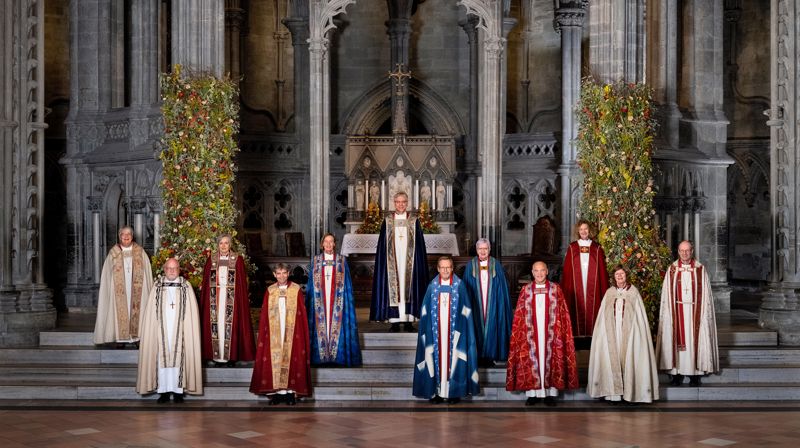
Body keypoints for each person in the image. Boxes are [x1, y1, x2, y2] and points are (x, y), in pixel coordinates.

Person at [506, 261, 578, 406]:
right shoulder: (526, 290)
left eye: (542, 270)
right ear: (532, 273)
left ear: (547, 272)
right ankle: (532, 394)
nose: (539, 274)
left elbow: (563, 314)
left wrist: (561, 332)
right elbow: (519, 315)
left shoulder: (555, 289)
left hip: (551, 332)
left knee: (550, 359)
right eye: (536, 271)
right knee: (531, 360)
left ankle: (550, 394)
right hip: (530, 332)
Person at [587, 265, 659, 403]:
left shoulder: (633, 293)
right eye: (617, 274)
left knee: (629, 358)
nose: (619, 277)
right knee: (611, 359)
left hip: (630, 335)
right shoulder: (609, 293)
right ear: (613, 277)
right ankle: (612, 393)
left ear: (627, 275)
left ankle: (629, 393)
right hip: (611, 335)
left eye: (622, 274)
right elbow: (602, 316)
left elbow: (639, 317)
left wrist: (638, 335)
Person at [413, 256, 480, 404]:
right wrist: (427, 328)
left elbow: (466, 310)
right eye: (442, 267)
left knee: (454, 358)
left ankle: (454, 392)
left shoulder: (460, 285)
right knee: (436, 358)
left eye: (448, 267)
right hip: (435, 332)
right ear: (438, 268)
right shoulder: (432, 286)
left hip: (455, 332)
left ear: (452, 268)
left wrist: (463, 329)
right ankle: (436, 391)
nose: (445, 270)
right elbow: (425, 311)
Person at [136, 258, 203, 403]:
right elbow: (150, 314)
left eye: (175, 268)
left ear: (179, 270)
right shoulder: (157, 286)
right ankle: (164, 392)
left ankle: (178, 392)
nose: (172, 271)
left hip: (181, 331)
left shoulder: (186, 286)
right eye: (169, 268)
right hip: (161, 331)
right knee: (162, 359)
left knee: (180, 359)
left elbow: (192, 315)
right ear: (164, 270)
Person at [656, 240, 719, 387]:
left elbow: (706, 295)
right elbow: (666, 295)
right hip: (676, 312)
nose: (684, 253)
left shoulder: (699, 269)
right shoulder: (671, 270)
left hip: (694, 312)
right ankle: (676, 374)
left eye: (687, 250)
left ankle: (694, 375)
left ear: (692, 251)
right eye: (681, 250)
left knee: (692, 342)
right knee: (676, 341)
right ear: (678, 252)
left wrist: (703, 313)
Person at [250, 263, 312, 405]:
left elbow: (301, 314)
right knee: (275, 360)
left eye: (284, 273)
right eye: (278, 273)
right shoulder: (270, 290)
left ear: (288, 273)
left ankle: (290, 393)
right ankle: (277, 393)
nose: (282, 276)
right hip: (274, 331)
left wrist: (300, 332)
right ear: (274, 275)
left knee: (292, 359)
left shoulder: (296, 290)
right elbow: (265, 314)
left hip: (292, 330)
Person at [370, 191, 429, 332]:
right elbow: (382, 246)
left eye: (403, 202)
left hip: (410, 263)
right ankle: (394, 321)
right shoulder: (387, 221)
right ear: (394, 203)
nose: (400, 204)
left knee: (409, 288)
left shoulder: (414, 221)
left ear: (407, 203)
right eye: (398, 202)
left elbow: (420, 247)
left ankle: (409, 321)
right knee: (394, 288)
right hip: (393, 262)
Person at [306, 233, 362, 366]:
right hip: (320, 299)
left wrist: (347, 302)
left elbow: (347, 284)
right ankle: (319, 358)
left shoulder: (342, 261)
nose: (329, 244)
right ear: (322, 244)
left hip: (338, 299)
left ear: (335, 244)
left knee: (336, 323)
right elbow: (310, 285)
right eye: (326, 242)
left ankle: (338, 358)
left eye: (331, 242)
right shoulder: (315, 261)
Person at [200, 234, 255, 367]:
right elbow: (206, 282)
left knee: (231, 326)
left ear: (230, 245)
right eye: (221, 243)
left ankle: (231, 357)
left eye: (226, 243)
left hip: (232, 299)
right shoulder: (211, 260)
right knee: (216, 325)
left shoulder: (237, 260)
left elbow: (241, 284)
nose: (223, 246)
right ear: (217, 245)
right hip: (214, 299)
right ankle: (216, 356)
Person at [94, 226, 153, 347]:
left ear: (132, 236)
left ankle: (137, 338)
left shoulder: (140, 252)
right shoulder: (113, 253)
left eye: (128, 234)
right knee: (119, 311)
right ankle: (121, 340)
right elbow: (107, 275)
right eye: (123, 234)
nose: (126, 237)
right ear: (119, 236)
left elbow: (147, 274)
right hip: (119, 292)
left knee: (138, 309)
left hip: (137, 291)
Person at [461, 238, 511, 366]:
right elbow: (465, 287)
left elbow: (502, 288)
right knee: (476, 325)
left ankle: (491, 355)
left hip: (492, 303)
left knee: (492, 325)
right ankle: (477, 355)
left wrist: (499, 304)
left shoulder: (496, 264)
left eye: (485, 249)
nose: (483, 251)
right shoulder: (470, 265)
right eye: (480, 249)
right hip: (475, 302)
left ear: (489, 250)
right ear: (476, 250)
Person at [561, 219, 609, 348]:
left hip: (592, 286)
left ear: (590, 231)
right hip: (577, 286)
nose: (583, 231)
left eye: (586, 229)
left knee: (593, 306)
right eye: (581, 229)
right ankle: (577, 337)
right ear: (578, 231)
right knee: (577, 305)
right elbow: (567, 272)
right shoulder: (572, 248)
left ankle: (592, 336)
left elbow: (602, 273)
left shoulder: (596, 248)